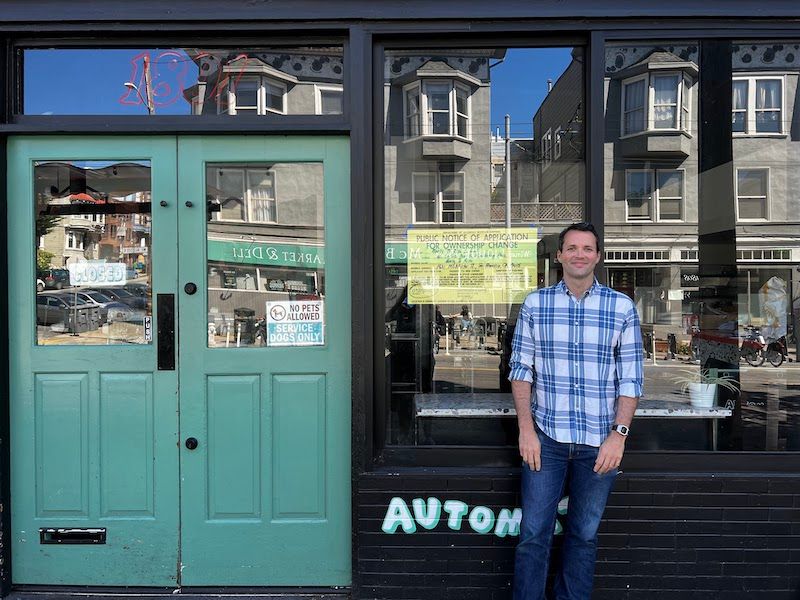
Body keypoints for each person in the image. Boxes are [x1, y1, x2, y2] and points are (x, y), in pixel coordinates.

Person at [509, 222, 643, 600]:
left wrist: (618, 435)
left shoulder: (621, 307)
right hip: (546, 440)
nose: (579, 254)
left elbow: (631, 379)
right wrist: (526, 430)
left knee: (583, 535)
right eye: (571, 248)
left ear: (598, 256)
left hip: (599, 444)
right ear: (559, 256)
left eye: (587, 248)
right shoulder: (537, 303)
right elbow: (521, 370)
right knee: (533, 533)